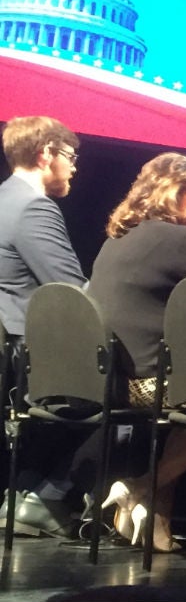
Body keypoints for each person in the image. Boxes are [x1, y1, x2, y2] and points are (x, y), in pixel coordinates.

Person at [88, 152, 186, 552]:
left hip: (106, 381)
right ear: (173, 193)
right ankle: (137, 487)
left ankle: (155, 527)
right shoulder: (183, 241)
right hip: (144, 385)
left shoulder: (118, 239)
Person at [0, 116, 88, 538]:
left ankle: (23, 497)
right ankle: (47, 496)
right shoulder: (35, 206)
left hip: (15, 345)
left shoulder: (3, 198)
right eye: (69, 157)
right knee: (133, 382)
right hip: (32, 351)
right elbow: (71, 290)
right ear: (44, 154)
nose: (74, 167)